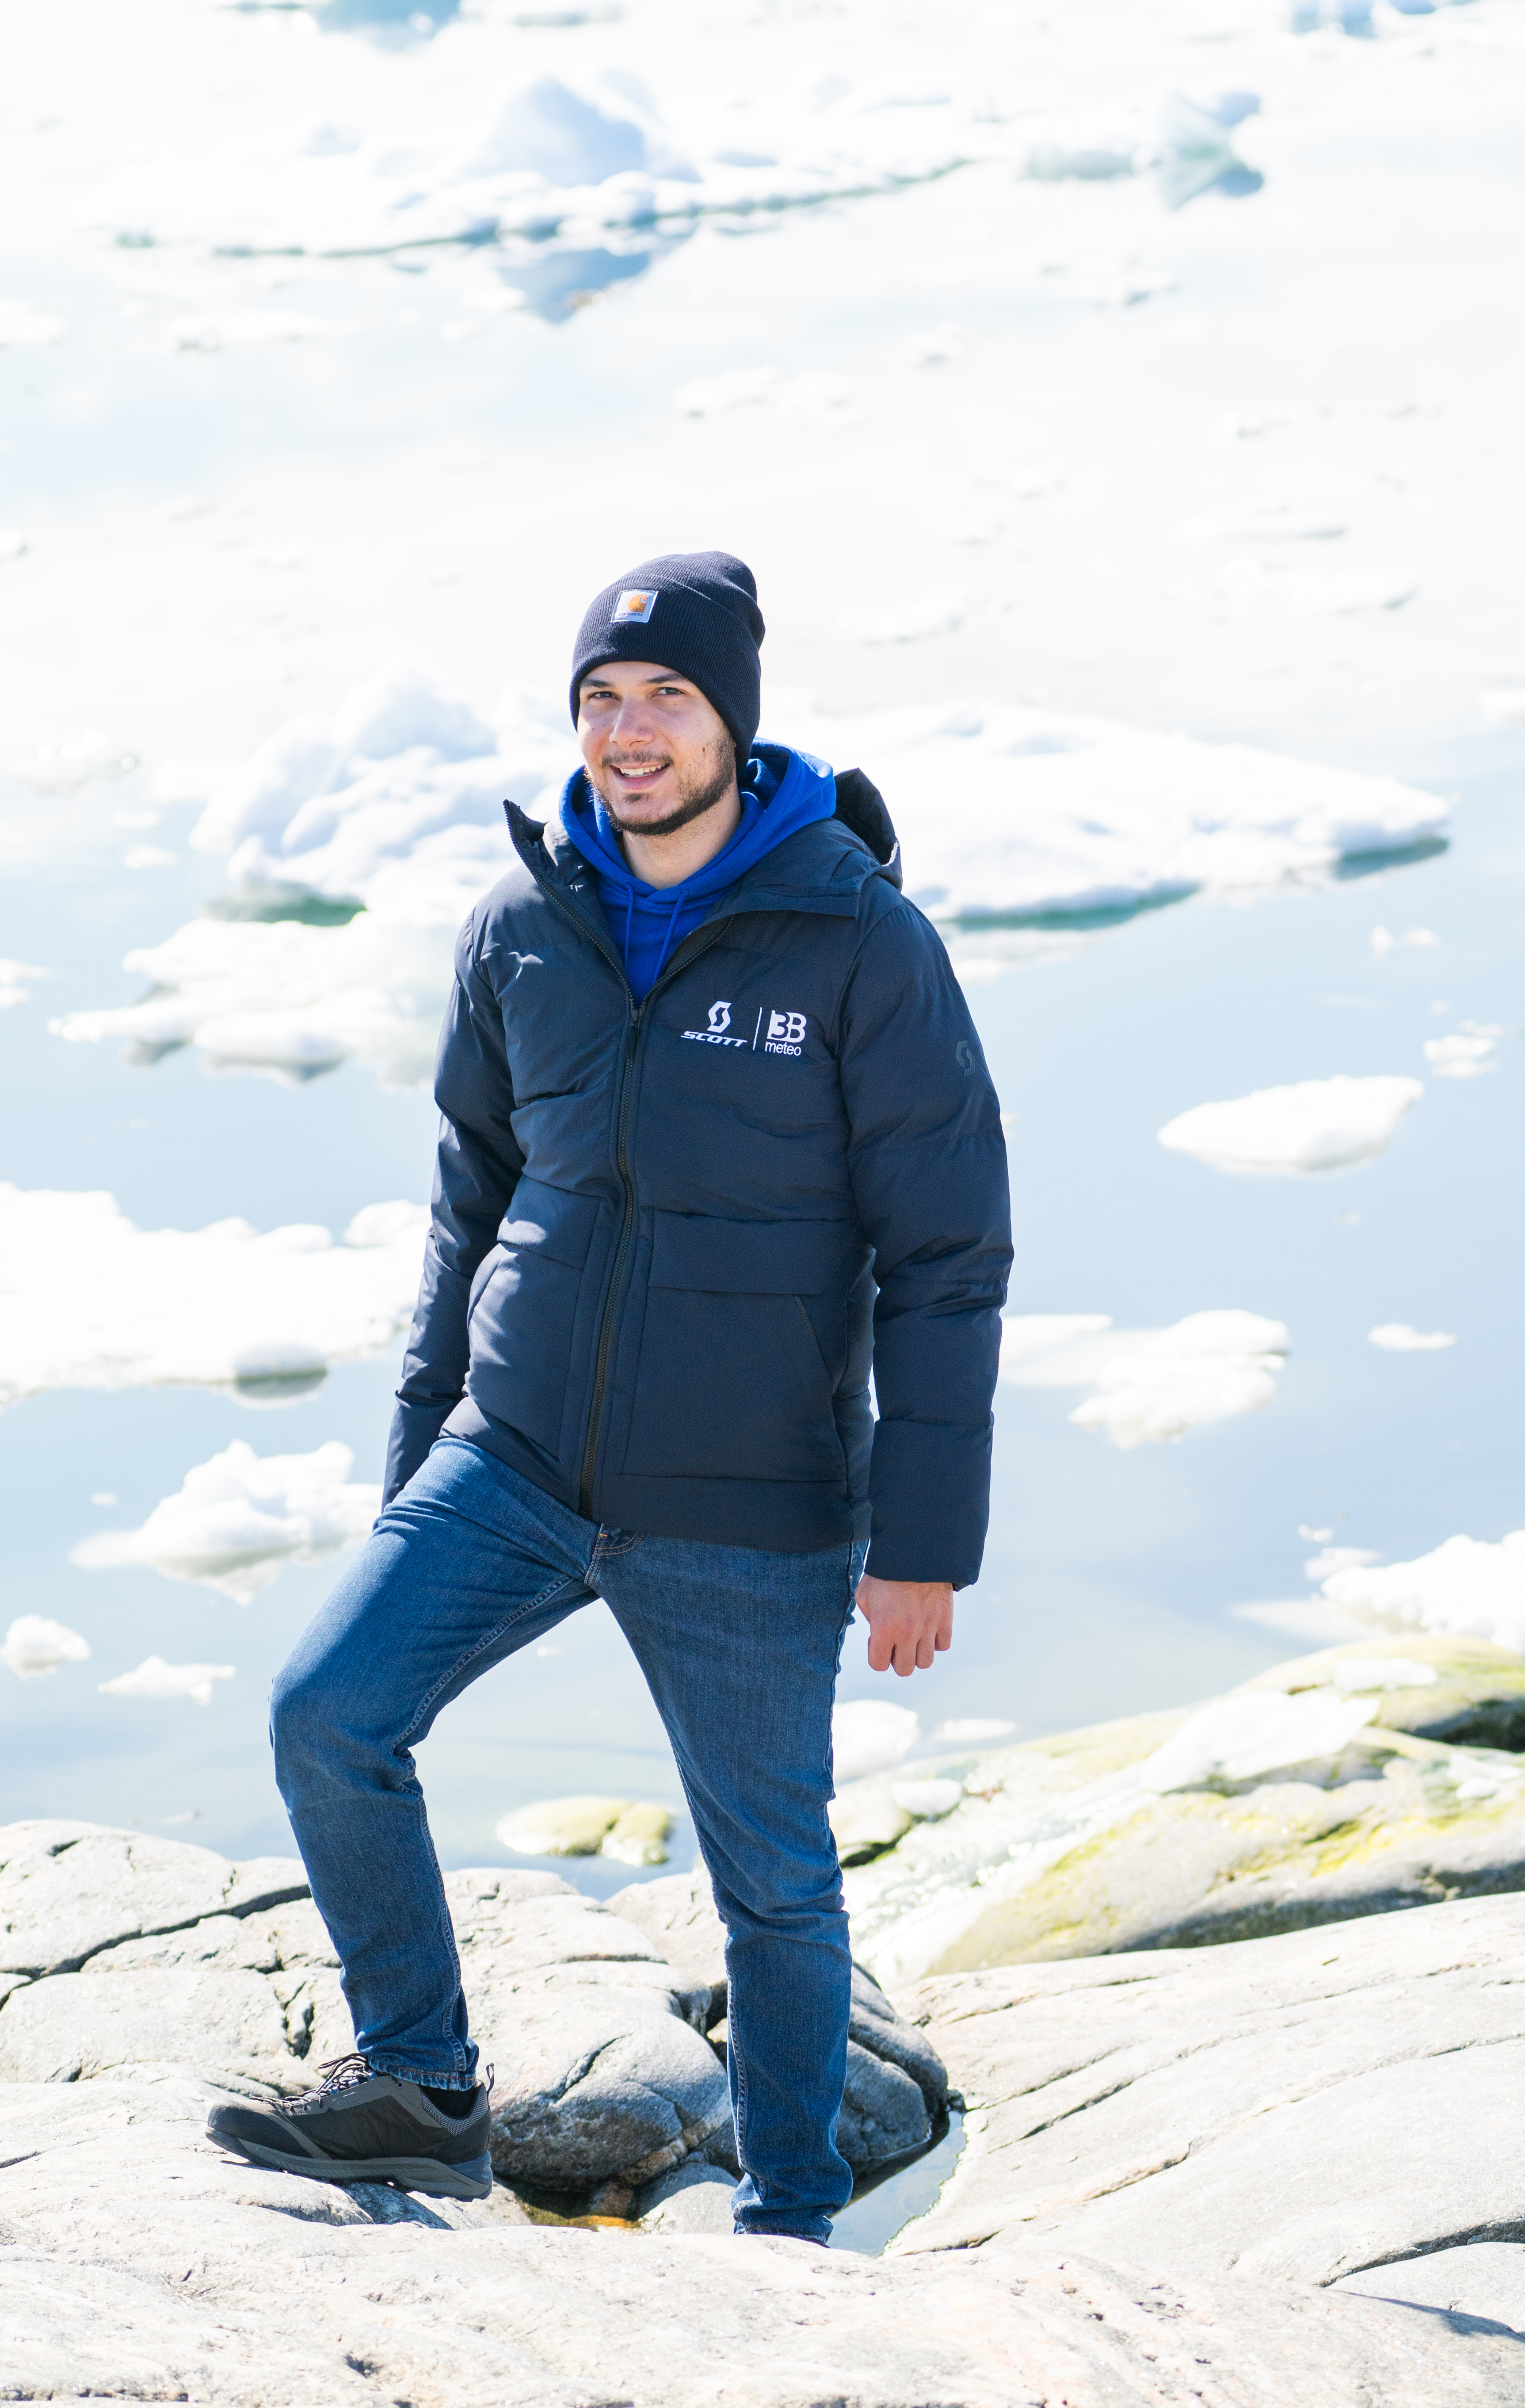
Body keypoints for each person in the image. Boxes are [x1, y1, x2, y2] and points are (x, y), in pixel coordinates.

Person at [206, 551, 1011, 2243]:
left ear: (736, 724)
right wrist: (422, 1454)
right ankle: (421, 2087)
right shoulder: (524, 926)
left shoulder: (859, 944)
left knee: (772, 1886)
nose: (628, 732)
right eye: (600, 699)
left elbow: (946, 1255)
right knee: (327, 1716)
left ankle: (791, 2215)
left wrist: (923, 1541)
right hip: (514, 1460)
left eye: (666, 698)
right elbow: (471, 1205)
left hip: (749, 1496)